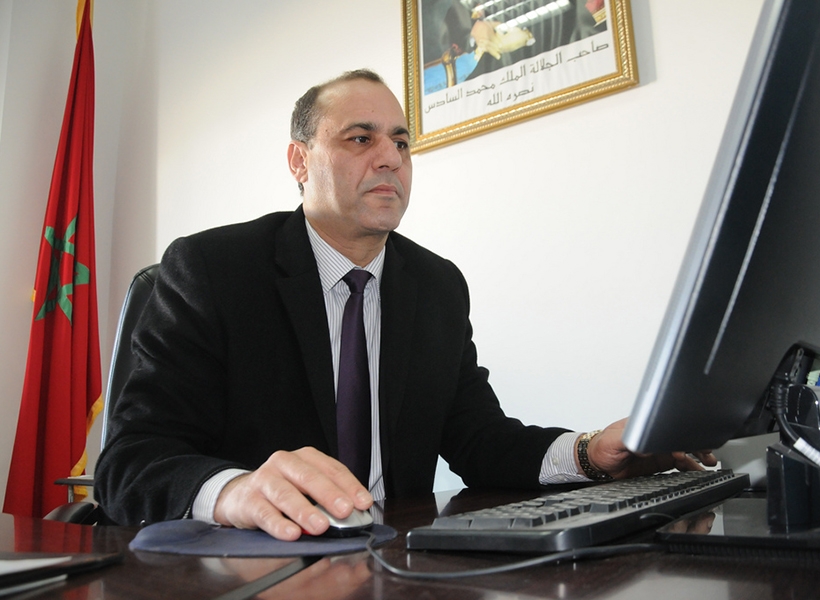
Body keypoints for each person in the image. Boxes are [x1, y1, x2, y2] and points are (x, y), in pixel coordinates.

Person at [94, 69, 715, 540]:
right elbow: (131, 461)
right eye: (360, 138)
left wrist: (590, 451)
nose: (390, 157)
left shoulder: (436, 285)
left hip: (399, 562)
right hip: (254, 568)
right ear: (299, 160)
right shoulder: (213, 269)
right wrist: (235, 492)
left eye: (400, 142)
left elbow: (480, 440)